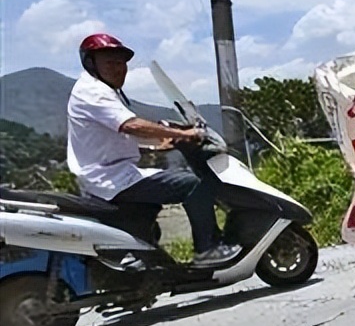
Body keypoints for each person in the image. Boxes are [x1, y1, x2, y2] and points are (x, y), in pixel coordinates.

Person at [66, 33, 240, 266]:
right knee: (193, 185)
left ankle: (146, 261)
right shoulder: (93, 91)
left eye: (122, 63)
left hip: (112, 175)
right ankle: (206, 249)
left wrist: (159, 146)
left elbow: (113, 137)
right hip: (111, 179)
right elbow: (131, 125)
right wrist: (184, 134)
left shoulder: (101, 91)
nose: (119, 69)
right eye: (111, 63)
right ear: (91, 63)